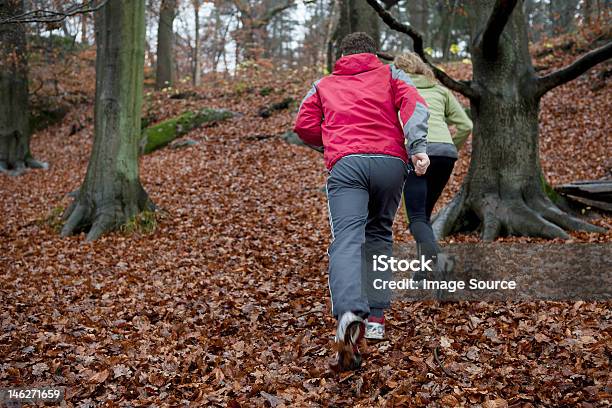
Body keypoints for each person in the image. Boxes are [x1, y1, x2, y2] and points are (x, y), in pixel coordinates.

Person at [293, 33, 430, 371]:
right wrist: (418, 146)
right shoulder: (392, 74)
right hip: (389, 163)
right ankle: (377, 319)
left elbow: (304, 125)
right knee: (380, 234)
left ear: (341, 56)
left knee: (348, 240)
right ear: (372, 54)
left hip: (347, 165)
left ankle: (350, 312)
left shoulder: (324, 84)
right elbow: (414, 104)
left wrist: (333, 147)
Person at [396, 52, 473, 281]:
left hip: (416, 154)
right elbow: (466, 125)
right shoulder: (439, 90)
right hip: (444, 155)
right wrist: (450, 148)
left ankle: (441, 263)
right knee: (424, 214)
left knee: (417, 217)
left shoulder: (398, 91)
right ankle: (423, 269)